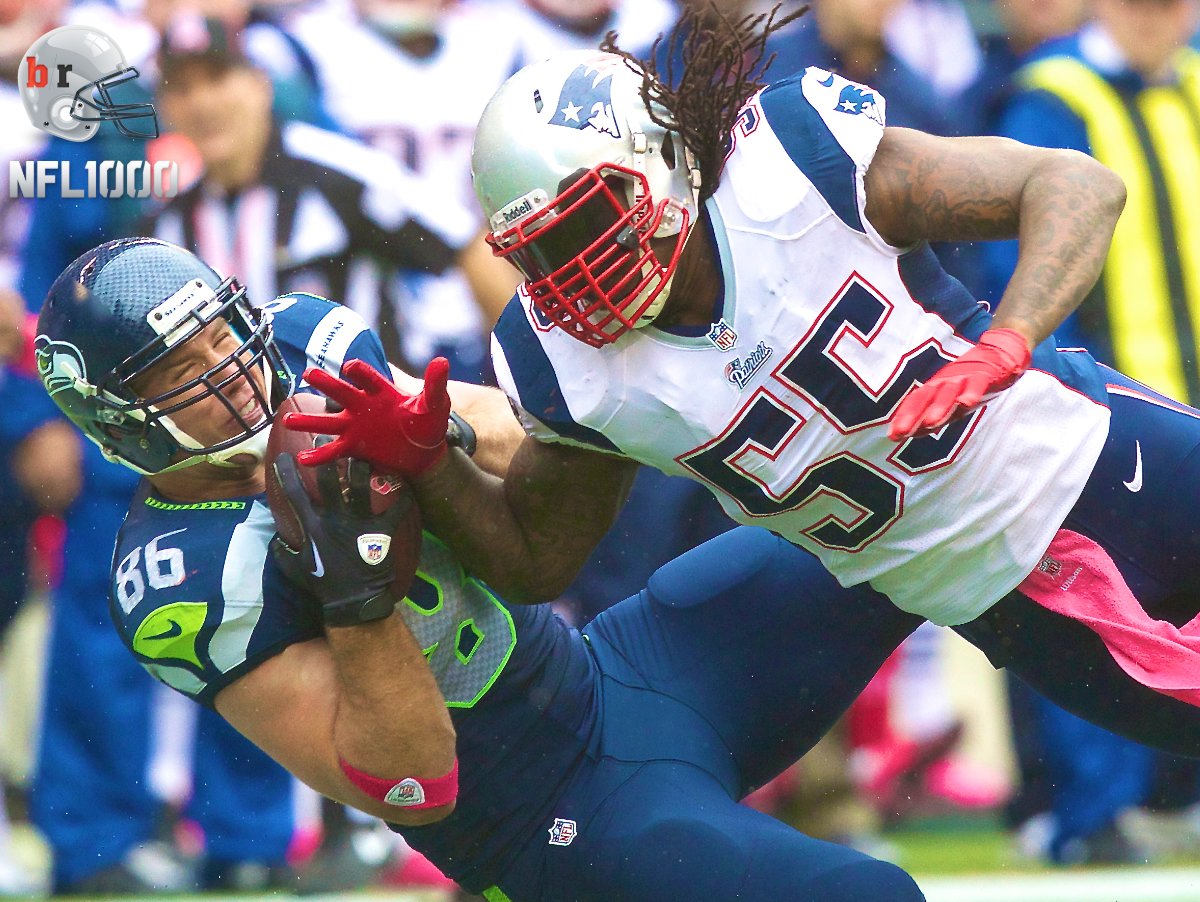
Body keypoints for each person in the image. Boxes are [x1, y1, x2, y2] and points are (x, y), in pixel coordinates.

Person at [300, 7, 1200, 762]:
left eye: (590, 224)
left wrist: (1009, 339)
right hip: (1000, 602)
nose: (572, 271)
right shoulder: (570, 367)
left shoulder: (791, 164)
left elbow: (1075, 184)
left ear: (660, 162)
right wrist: (434, 466)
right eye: (541, 252)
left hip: (1107, 456)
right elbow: (539, 559)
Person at [36, 235, 927, 902]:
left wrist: (434, 437)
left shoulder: (305, 344)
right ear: (120, 422)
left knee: (900, 513)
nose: (230, 373)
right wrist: (355, 591)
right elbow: (415, 785)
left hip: (614, 673)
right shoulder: (184, 574)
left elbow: (516, 426)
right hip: (545, 820)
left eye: (221, 337)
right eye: (179, 374)